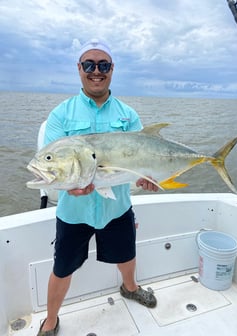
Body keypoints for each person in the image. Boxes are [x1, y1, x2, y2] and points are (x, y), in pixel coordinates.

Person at [37, 38, 158, 336]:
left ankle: (130, 288)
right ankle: (51, 320)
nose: (96, 71)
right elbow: (51, 165)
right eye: (89, 64)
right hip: (73, 212)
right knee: (62, 268)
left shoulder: (128, 115)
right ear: (79, 68)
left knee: (127, 256)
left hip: (116, 206)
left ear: (112, 69)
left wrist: (145, 177)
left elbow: (141, 159)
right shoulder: (60, 115)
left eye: (103, 65)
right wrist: (69, 188)